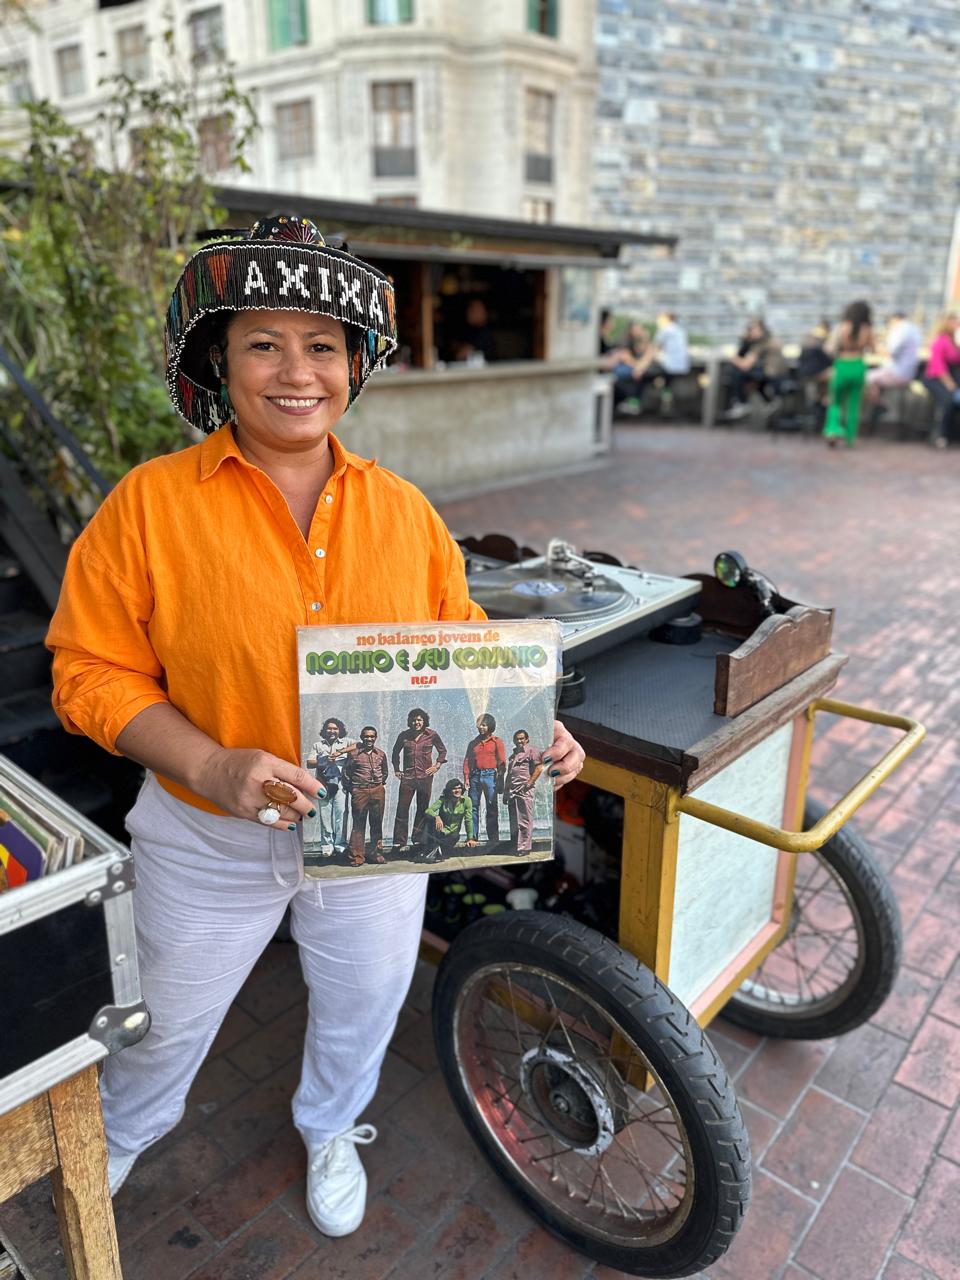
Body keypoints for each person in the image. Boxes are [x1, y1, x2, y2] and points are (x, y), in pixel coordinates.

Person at [45, 212, 585, 1240]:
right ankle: (122, 1128)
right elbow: (86, 670)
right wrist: (213, 758)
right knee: (163, 1020)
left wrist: (533, 733)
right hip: (207, 836)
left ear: (353, 364)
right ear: (220, 359)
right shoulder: (150, 506)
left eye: (322, 344)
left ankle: (333, 1124)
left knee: (361, 1006)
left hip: (382, 841)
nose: (297, 370)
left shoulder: (409, 515)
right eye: (263, 341)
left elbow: (466, 654)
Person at [390, 707, 447, 852]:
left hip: (425, 777)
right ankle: (399, 841)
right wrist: (397, 769)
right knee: (402, 808)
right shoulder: (404, 735)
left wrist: (437, 766)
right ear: (410, 721)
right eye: (414, 720)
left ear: (424, 721)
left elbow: (442, 750)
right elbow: (395, 752)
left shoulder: (432, 735)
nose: (416, 722)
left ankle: (417, 839)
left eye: (419, 719)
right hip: (408, 778)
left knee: (422, 809)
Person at [823, 300, 874, 448]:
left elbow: (829, 348)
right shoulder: (868, 329)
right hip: (858, 365)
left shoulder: (841, 327)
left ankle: (832, 431)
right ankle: (850, 439)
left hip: (842, 365)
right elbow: (873, 347)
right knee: (854, 404)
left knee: (835, 402)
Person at [306, 717, 357, 857]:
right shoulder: (318, 745)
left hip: (341, 784)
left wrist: (341, 752)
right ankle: (327, 845)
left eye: (335, 728)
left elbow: (358, 746)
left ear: (340, 730)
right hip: (323, 783)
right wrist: (323, 760)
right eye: (329, 728)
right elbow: (309, 762)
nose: (332, 731)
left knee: (341, 813)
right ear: (324, 731)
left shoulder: (346, 742)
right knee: (325, 815)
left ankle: (340, 844)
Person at [724, 318, 787, 421]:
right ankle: (769, 401)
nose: (751, 332)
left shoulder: (762, 342)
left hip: (772, 375)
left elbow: (745, 364)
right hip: (777, 375)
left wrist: (734, 358)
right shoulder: (771, 339)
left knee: (738, 373)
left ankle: (741, 403)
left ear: (761, 330)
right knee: (753, 379)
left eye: (752, 330)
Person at [344, 726, 388, 866]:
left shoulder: (380, 754)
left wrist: (379, 785)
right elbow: (346, 773)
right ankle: (357, 857)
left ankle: (376, 854)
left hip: (377, 791)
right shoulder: (354, 754)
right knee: (358, 824)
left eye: (372, 736)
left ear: (375, 737)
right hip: (360, 791)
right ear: (362, 737)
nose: (369, 739)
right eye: (366, 736)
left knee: (376, 823)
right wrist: (354, 789)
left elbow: (385, 772)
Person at [463, 712, 506, 844]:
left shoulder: (497, 742)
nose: (481, 727)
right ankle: (472, 837)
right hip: (475, 777)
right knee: (472, 807)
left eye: (484, 725)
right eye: (479, 725)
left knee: (491, 807)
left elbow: (502, 762)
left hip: (490, 776)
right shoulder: (473, 743)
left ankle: (493, 838)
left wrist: (500, 780)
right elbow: (467, 761)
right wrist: (466, 778)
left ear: (490, 726)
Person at [865, 311, 921, 409]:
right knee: (875, 377)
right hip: (907, 372)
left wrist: (873, 345)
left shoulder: (901, 329)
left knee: (866, 378)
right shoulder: (913, 329)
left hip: (898, 374)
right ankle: (878, 404)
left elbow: (890, 352)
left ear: (894, 319)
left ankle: (879, 405)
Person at [922, 313, 960, 449]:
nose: (957, 324)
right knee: (947, 402)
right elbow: (938, 366)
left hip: (951, 379)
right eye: (954, 321)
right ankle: (940, 436)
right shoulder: (941, 341)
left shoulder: (953, 341)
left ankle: (951, 434)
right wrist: (949, 384)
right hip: (936, 379)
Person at [503, 728, 544, 854]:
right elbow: (509, 776)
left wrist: (529, 783)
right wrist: (505, 793)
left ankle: (525, 848)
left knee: (525, 819)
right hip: (512, 791)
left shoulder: (532, 751)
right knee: (514, 821)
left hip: (524, 790)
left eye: (522, 738)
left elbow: (539, 768)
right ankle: (516, 846)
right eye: (517, 738)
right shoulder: (513, 756)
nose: (519, 740)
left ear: (526, 739)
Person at [418, 778, 477, 863]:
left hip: (452, 833)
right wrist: (437, 817)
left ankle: (434, 850)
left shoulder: (466, 801)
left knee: (455, 837)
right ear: (449, 790)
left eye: (459, 788)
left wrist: (470, 838)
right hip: (440, 830)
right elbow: (428, 811)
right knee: (429, 819)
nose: (457, 790)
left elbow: (468, 820)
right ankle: (429, 848)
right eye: (454, 788)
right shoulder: (443, 799)